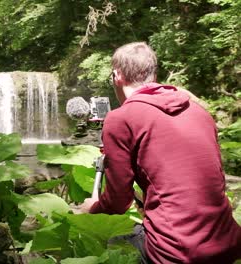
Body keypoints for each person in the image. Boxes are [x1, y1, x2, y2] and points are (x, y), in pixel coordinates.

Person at [76, 42, 241, 263]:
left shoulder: (120, 118)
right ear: (153, 74)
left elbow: (117, 202)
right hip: (229, 242)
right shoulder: (198, 111)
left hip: (177, 253)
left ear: (117, 75)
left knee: (106, 243)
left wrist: (91, 209)